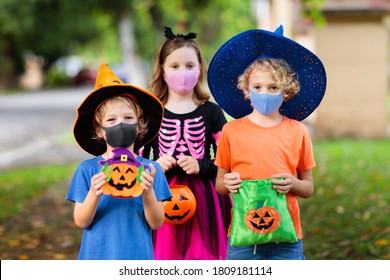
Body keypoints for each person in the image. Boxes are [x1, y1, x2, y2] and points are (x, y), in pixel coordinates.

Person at [207, 25, 327, 260]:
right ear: (246, 90)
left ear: (287, 92)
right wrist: (227, 183)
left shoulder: (298, 131)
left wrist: (293, 183)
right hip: (243, 237)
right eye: (258, 87)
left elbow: (308, 188)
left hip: (287, 238)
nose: (265, 93)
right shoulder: (231, 131)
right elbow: (220, 185)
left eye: (274, 88)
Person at [141, 27, 232, 260]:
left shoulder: (211, 112)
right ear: (162, 71)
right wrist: (154, 165)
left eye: (190, 66)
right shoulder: (152, 113)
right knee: (165, 253)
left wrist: (201, 165)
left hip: (205, 195)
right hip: (161, 192)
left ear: (200, 69)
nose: (183, 72)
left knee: (203, 253)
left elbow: (228, 159)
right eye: (175, 66)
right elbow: (135, 161)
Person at [66, 64, 171, 260]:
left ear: (140, 125)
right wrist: (93, 194)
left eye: (128, 118)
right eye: (111, 120)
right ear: (100, 130)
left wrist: (147, 192)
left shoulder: (151, 169)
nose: (120, 124)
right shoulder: (87, 170)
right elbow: (81, 221)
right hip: (96, 258)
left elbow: (156, 223)